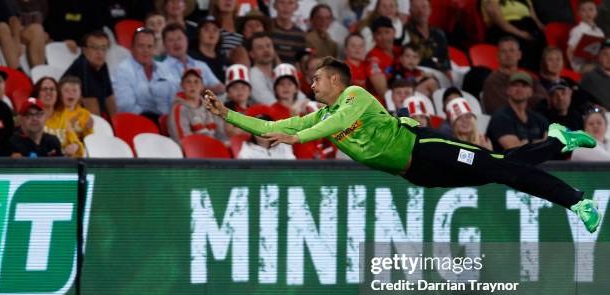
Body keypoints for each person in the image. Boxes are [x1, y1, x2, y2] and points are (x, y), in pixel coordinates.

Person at [203, 56, 602, 232]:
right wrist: (226, 115)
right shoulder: (321, 115)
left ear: (337, 82)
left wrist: (294, 136)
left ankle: (576, 199)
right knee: (501, 165)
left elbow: (330, 124)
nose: (312, 85)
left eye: (317, 79)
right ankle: (555, 140)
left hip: (423, 145)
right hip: (416, 173)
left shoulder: (354, 96)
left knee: (500, 168)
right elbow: (283, 123)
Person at [113, 27, 174, 122]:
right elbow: (125, 105)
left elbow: (177, 96)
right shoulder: (123, 69)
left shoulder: (165, 67)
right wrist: (153, 120)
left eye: (149, 46)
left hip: (170, 121)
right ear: (132, 48)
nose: (145, 50)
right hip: (138, 122)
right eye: (141, 46)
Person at [482, 36, 547, 115]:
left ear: (519, 55)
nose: (508, 54)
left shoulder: (530, 77)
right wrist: (529, 96)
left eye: (512, 50)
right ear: (497, 56)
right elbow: (505, 107)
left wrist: (518, 98)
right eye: (503, 51)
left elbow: (544, 100)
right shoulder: (493, 81)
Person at [487, 72, 550, 152]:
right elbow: (515, 150)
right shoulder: (500, 117)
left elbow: (550, 146)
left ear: (531, 92)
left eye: (524, 86)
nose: (519, 89)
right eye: (515, 85)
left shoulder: (539, 119)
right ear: (508, 90)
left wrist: (526, 143)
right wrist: (541, 143)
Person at [160, 23, 225, 101]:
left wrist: (198, 90)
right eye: (171, 40)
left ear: (186, 40)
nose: (176, 43)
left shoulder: (201, 65)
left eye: (179, 38)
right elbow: (179, 92)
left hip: (205, 110)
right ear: (164, 45)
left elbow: (220, 88)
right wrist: (205, 90)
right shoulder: (160, 67)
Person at [480, 0, 546, 72]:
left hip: (528, 27)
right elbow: (494, 14)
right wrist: (520, 33)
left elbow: (534, 18)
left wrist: (547, 30)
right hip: (504, 29)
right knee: (520, 47)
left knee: (545, 50)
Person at [62, 30, 117, 117]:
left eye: (103, 48)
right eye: (95, 48)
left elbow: (109, 97)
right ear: (84, 50)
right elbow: (90, 102)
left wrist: (116, 125)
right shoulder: (82, 64)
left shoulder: (102, 65)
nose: (100, 52)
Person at [168, 68, 226, 143]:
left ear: (202, 86)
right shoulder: (179, 108)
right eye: (188, 82)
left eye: (196, 82)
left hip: (213, 148)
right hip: (194, 151)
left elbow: (221, 133)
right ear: (182, 85)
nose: (192, 85)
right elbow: (183, 140)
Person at [45, 76, 94, 158]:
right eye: (66, 90)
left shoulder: (85, 114)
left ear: (80, 94)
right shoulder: (55, 112)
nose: (71, 93)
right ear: (59, 93)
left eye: (75, 90)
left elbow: (89, 140)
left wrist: (88, 128)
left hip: (76, 152)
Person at [407, 0, 451, 74]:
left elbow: (445, 60)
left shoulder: (439, 33)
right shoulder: (405, 33)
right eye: (415, 7)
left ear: (430, 10)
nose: (420, 11)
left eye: (424, 7)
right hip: (416, 73)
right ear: (410, 11)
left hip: (439, 73)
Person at [567, 0, 605, 73]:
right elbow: (569, 51)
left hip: (596, 62)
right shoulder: (577, 30)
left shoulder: (599, 31)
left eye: (591, 9)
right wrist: (574, 68)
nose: (588, 13)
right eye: (583, 10)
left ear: (596, 12)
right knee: (601, 69)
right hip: (582, 65)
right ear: (578, 13)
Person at [189, 16, 229, 83]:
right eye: (206, 29)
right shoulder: (191, 58)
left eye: (215, 29)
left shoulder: (223, 58)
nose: (211, 33)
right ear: (198, 34)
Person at [270, 0, 307, 64]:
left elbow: (300, 62)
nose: (286, 7)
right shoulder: (266, 28)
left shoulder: (301, 35)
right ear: (275, 5)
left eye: (290, 3)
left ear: (296, 7)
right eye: (281, 2)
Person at [580, 39, 610, 110]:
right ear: (599, 56)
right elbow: (582, 101)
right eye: (605, 54)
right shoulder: (590, 77)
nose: (609, 58)